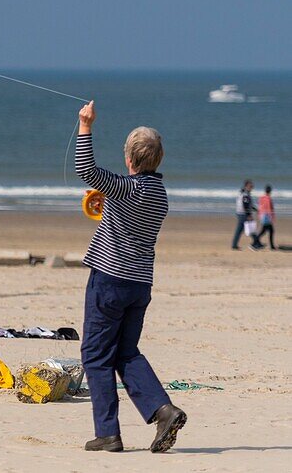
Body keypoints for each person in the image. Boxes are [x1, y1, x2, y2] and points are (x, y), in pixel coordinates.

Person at [74, 100, 185, 454]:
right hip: (139, 284)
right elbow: (127, 205)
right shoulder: (160, 195)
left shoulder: (127, 187)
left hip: (110, 280)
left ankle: (108, 433)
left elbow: (86, 169)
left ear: (130, 160)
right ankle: (163, 410)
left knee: (95, 355)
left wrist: (85, 124)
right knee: (125, 352)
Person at [232, 179, 255, 250]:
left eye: (252, 186)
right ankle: (257, 242)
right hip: (242, 214)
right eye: (250, 186)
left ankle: (234, 245)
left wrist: (256, 209)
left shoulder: (243, 193)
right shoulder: (245, 194)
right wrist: (249, 215)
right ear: (246, 186)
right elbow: (245, 205)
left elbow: (248, 205)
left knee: (240, 230)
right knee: (250, 228)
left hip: (240, 213)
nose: (251, 188)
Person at [256, 184, 276, 251]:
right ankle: (254, 243)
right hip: (267, 216)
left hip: (262, 215)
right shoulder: (269, 198)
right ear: (270, 191)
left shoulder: (261, 197)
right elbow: (270, 208)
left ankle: (272, 246)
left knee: (267, 231)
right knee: (266, 231)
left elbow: (259, 207)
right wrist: (272, 217)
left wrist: (259, 215)